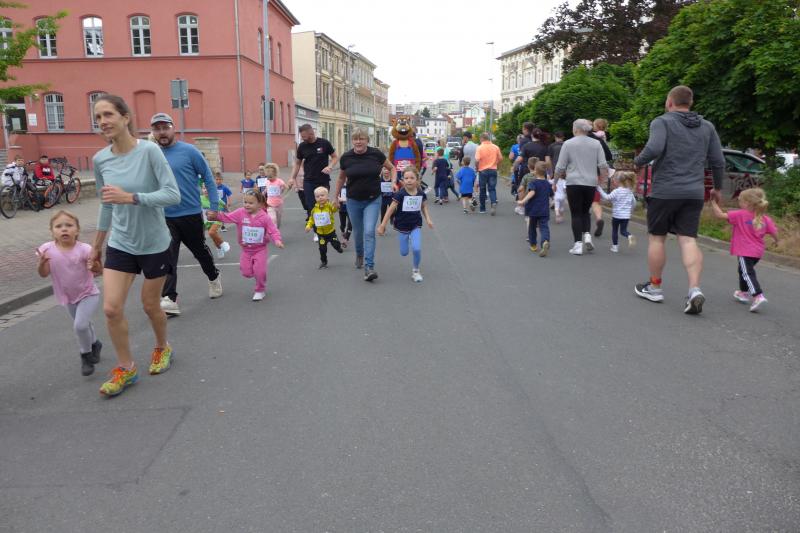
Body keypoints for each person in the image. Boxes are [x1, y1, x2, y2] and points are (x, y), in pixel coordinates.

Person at [90, 94, 181, 397]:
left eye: (108, 114)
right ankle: (126, 367)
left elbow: (172, 195)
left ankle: (162, 346)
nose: (103, 121)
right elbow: (107, 204)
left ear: (125, 117)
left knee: (150, 305)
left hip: (154, 242)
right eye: (98, 117)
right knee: (111, 308)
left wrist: (132, 198)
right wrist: (96, 245)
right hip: (121, 242)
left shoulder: (150, 151)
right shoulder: (100, 160)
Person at [633, 85, 726, 314]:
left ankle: (655, 287)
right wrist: (717, 188)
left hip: (665, 191)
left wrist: (638, 162)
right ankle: (694, 289)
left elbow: (654, 148)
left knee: (657, 239)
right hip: (693, 193)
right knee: (688, 240)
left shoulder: (662, 122)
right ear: (690, 103)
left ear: (669, 102)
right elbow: (718, 161)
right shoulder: (707, 126)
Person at [150, 112, 223, 316]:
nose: (162, 132)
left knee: (200, 251)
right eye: (157, 129)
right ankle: (170, 298)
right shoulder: (151, 154)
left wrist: (214, 206)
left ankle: (213, 276)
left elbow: (207, 177)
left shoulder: (189, 151)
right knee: (167, 255)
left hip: (190, 213)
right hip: (165, 215)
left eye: (165, 128)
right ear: (153, 132)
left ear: (173, 128)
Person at [37, 210, 103, 376]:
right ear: (52, 231)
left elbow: (99, 270)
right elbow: (43, 274)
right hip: (67, 296)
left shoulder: (84, 249)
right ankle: (95, 343)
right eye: (58, 226)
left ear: (77, 230)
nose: (64, 229)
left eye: (69, 225)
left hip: (88, 293)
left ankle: (85, 356)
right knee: (84, 324)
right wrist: (41, 264)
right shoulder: (47, 250)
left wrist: (94, 265)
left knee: (80, 325)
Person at [334, 128, 395, 281]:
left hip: (373, 200)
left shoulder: (376, 154)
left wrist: (393, 182)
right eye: (355, 139)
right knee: (358, 232)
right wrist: (335, 196)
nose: (358, 142)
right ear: (352, 141)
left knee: (369, 232)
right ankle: (360, 254)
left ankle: (369, 267)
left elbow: (392, 168)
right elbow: (341, 178)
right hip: (353, 200)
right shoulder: (346, 157)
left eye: (361, 139)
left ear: (367, 140)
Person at [709, 188, 778, 312]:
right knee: (743, 270)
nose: (738, 202)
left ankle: (758, 295)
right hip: (757, 252)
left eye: (740, 200)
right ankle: (743, 293)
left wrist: (713, 202)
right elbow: (774, 232)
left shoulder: (740, 214)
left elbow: (719, 215)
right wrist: (776, 241)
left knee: (747, 273)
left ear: (747, 203)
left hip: (744, 251)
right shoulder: (765, 218)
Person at [207, 190, 283, 301]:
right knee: (246, 272)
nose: (247, 205)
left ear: (259, 204)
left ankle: (260, 290)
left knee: (260, 271)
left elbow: (273, 230)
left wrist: (277, 240)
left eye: (251, 203)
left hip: (260, 249)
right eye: (245, 202)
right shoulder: (240, 213)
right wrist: (216, 216)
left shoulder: (264, 217)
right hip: (246, 250)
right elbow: (227, 217)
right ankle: (256, 274)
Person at [554, 119, 610, 256]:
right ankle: (588, 237)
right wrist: (603, 181)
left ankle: (577, 244)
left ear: (576, 129)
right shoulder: (596, 143)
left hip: (573, 182)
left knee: (576, 214)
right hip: (591, 182)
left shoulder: (568, 143)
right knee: (585, 211)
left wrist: (555, 181)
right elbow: (603, 165)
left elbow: (560, 166)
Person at [377, 166, 434, 282]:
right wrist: (382, 225)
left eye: (412, 178)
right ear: (402, 180)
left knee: (416, 248)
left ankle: (416, 271)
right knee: (404, 252)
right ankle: (407, 239)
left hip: (415, 224)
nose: (409, 180)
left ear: (417, 180)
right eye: (406, 178)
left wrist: (428, 219)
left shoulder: (420, 193)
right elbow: (390, 209)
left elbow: (423, 207)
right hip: (402, 225)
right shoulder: (400, 194)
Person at [291, 124, 338, 219]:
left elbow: (335, 157)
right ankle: (314, 227)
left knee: (322, 205)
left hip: (323, 181)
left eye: (304, 136)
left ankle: (325, 226)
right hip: (308, 181)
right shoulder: (302, 146)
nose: (302, 138)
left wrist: (330, 166)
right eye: (301, 136)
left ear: (311, 133)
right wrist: (292, 178)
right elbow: (297, 163)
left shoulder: (324, 143)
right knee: (311, 206)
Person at [517, 160, 553, 257]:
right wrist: (552, 203)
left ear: (535, 171)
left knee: (532, 227)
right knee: (544, 227)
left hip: (533, 210)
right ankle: (545, 241)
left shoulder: (533, 183)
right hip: (544, 210)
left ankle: (533, 244)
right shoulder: (547, 184)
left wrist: (523, 201)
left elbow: (532, 192)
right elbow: (551, 195)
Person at [596, 171, 637, 253]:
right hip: (626, 216)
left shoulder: (616, 191)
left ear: (618, 181)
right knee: (623, 231)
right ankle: (629, 236)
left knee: (615, 231)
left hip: (617, 215)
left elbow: (607, 197)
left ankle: (615, 247)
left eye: (614, 179)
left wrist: (599, 188)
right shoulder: (629, 191)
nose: (613, 181)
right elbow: (634, 202)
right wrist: (630, 210)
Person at [305, 186, 344, 269]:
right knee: (322, 249)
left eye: (322, 195)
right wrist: (308, 226)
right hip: (321, 234)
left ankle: (338, 248)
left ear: (327, 196)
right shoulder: (314, 210)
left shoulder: (329, 206)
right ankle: (324, 261)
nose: (320, 198)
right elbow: (311, 219)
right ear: (315, 198)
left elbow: (334, 210)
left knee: (335, 244)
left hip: (330, 232)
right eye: (318, 196)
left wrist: (336, 205)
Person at [589, 120, 615, 237]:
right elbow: (609, 156)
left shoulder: (580, 139)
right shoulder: (599, 139)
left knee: (582, 198)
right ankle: (599, 218)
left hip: (582, 173)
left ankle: (584, 226)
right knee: (595, 200)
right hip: (596, 171)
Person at [474, 132, 503, 215]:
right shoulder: (496, 147)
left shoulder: (480, 148)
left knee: (482, 189)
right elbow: (500, 158)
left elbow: (477, 160)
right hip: (493, 169)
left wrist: (477, 168)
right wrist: (496, 165)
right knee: (492, 188)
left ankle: (482, 209)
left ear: (482, 138)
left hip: (483, 170)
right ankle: (493, 202)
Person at [200, 185, 230, 258]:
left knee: (211, 232)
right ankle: (219, 249)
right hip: (207, 221)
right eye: (204, 188)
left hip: (217, 219)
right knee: (213, 237)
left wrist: (229, 214)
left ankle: (223, 243)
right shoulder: (200, 198)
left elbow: (224, 205)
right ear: (202, 190)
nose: (206, 190)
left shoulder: (215, 198)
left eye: (207, 188)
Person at [263, 163, 289, 228]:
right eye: (267, 177)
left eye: (270, 177)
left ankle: (276, 231)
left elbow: (286, 187)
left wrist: (283, 190)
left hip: (279, 204)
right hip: (270, 204)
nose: (269, 178)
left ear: (275, 174)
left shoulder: (279, 181)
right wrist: (263, 193)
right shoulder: (267, 182)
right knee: (272, 219)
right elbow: (266, 189)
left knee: (278, 220)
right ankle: (273, 231)